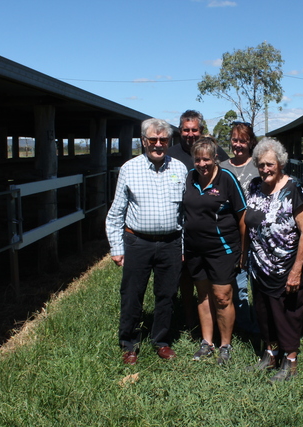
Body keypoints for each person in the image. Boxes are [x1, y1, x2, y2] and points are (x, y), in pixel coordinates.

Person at [105, 118, 188, 365]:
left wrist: (183, 246)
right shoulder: (129, 169)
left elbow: (185, 213)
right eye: (153, 139)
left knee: (167, 295)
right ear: (144, 141)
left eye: (163, 140)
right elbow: (116, 212)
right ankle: (129, 343)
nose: (158, 144)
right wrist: (116, 247)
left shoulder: (180, 168)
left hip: (171, 243)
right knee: (132, 294)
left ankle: (161, 341)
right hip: (138, 242)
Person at [243, 138, 303, 382]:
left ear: (280, 163)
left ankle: (290, 362)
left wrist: (297, 270)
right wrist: (244, 255)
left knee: (288, 315)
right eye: (261, 164)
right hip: (259, 266)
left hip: (286, 267)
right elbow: (247, 222)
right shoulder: (254, 186)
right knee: (263, 312)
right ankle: (270, 354)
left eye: (270, 164)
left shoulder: (294, 189)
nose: (265, 169)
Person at [184, 136, 246, 365]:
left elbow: (242, 215)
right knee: (203, 294)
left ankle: (225, 345)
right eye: (198, 160)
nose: (202, 164)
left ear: (215, 158)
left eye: (206, 159)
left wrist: (243, 250)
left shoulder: (227, 179)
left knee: (222, 296)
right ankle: (207, 342)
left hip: (222, 248)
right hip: (194, 249)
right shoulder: (190, 178)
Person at [169, 109, 229, 330]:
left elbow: (226, 178)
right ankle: (189, 317)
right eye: (186, 130)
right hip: (181, 225)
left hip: (211, 228)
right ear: (180, 131)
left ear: (201, 130)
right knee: (185, 276)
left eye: (194, 130)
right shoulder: (171, 155)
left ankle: (217, 321)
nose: (190, 134)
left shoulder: (216, 152)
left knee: (212, 280)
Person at [219, 122, 260, 336]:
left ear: (250, 142)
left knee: (260, 285)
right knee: (239, 284)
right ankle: (244, 326)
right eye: (234, 140)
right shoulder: (222, 167)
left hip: (259, 236)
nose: (237, 144)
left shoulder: (260, 165)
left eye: (242, 140)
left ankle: (263, 325)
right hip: (233, 236)